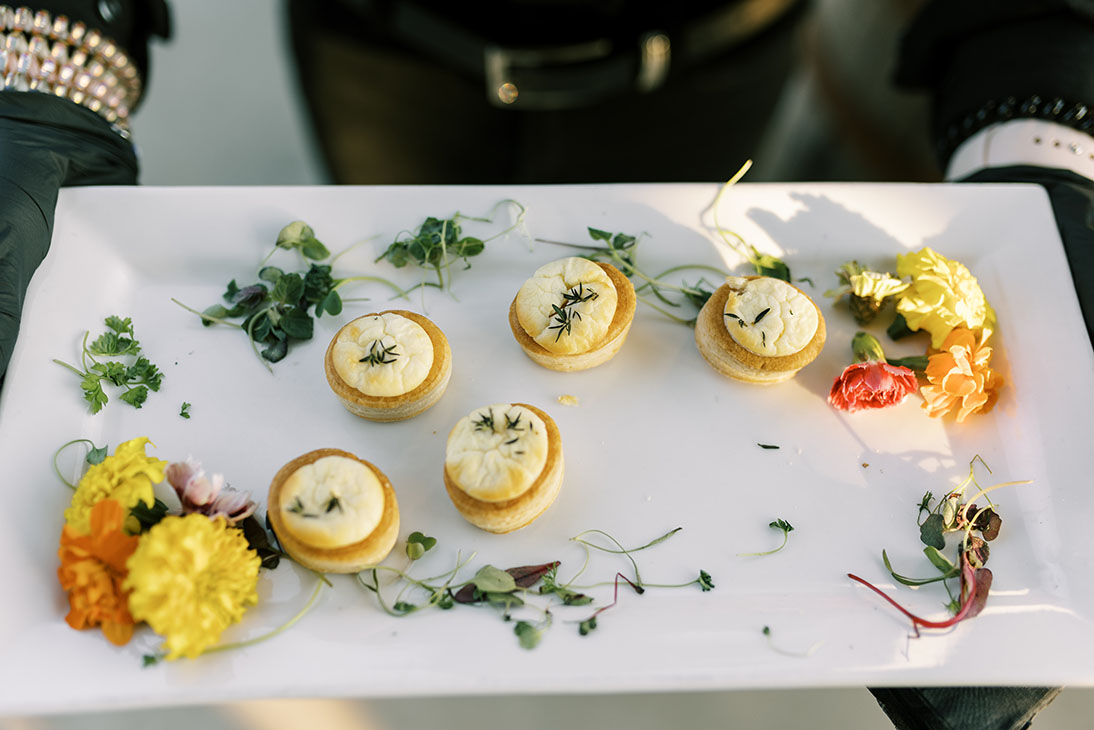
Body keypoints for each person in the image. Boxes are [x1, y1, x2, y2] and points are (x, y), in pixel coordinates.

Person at [0, 2, 1090, 729]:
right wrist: (43, 48)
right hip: (381, 41)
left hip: (710, 44)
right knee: (389, 211)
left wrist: (1047, 98)